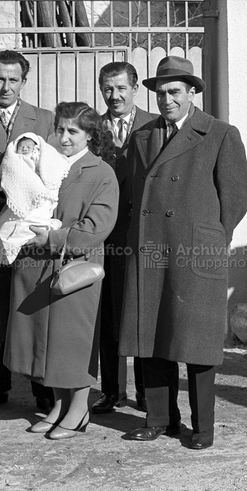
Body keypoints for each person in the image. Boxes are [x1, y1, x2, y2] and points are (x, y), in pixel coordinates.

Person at [118, 56, 247, 450]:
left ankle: (203, 428)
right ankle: (159, 419)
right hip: (151, 246)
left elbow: (238, 194)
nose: (166, 100)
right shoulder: (143, 136)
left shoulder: (219, 134)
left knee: (195, 342)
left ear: (192, 92)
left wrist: (212, 237)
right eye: (160, 93)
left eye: (174, 92)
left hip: (195, 250)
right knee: (153, 335)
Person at [4, 101, 118, 440]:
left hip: (76, 267)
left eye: (74, 131)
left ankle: (79, 409)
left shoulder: (100, 172)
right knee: (46, 342)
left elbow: (97, 225)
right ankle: (57, 405)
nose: (65, 138)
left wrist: (53, 238)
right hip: (38, 266)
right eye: (61, 130)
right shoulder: (43, 162)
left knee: (73, 341)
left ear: (90, 135)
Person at [0, 50, 56, 412]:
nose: (6, 87)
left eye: (13, 79)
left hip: (31, 229)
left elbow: (53, 172)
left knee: (33, 305)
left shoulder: (45, 120)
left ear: (24, 81)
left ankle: (42, 387)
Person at [93, 61, 157, 415]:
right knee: (110, 313)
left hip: (143, 232)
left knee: (142, 311)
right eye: (108, 89)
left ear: (135, 89)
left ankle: (148, 391)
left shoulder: (154, 125)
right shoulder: (94, 128)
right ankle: (112, 389)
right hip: (105, 234)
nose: (114, 96)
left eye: (120, 88)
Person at [0, 132, 69, 267]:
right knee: (10, 225)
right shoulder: (15, 161)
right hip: (21, 198)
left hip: (41, 198)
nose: (25, 149)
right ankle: (10, 247)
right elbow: (10, 174)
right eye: (21, 147)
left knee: (37, 217)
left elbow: (48, 170)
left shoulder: (39, 157)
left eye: (29, 146)